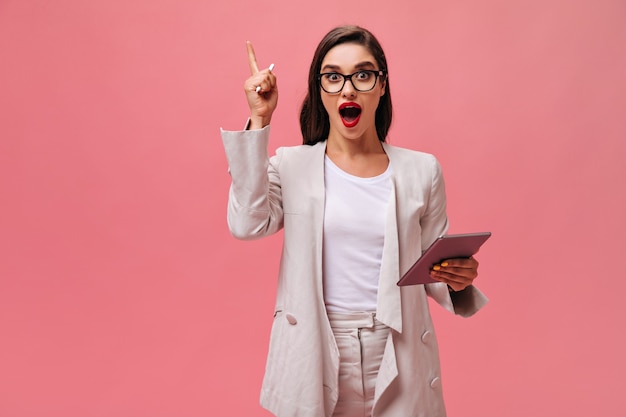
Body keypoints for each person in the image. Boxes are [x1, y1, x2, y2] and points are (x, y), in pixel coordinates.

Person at [220, 25, 488, 417]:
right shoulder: (290, 166)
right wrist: (259, 119)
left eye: (363, 75)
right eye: (333, 77)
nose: (348, 88)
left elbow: (432, 266)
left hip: (398, 345)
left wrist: (458, 277)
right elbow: (246, 224)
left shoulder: (422, 170)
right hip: (317, 345)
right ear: (320, 91)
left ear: (382, 86)